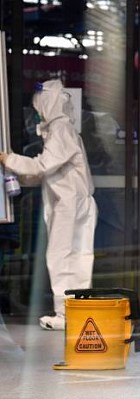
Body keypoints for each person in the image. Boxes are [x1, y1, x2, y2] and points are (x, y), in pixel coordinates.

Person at [0, 79, 97, 331]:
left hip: (70, 204)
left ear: (48, 103)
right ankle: (76, 313)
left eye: (38, 106)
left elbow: (43, 166)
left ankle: (65, 314)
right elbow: (46, 170)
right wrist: (18, 173)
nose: (36, 112)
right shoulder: (61, 130)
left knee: (60, 257)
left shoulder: (60, 129)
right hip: (76, 202)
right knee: (77, 258)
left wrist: (9, 159)